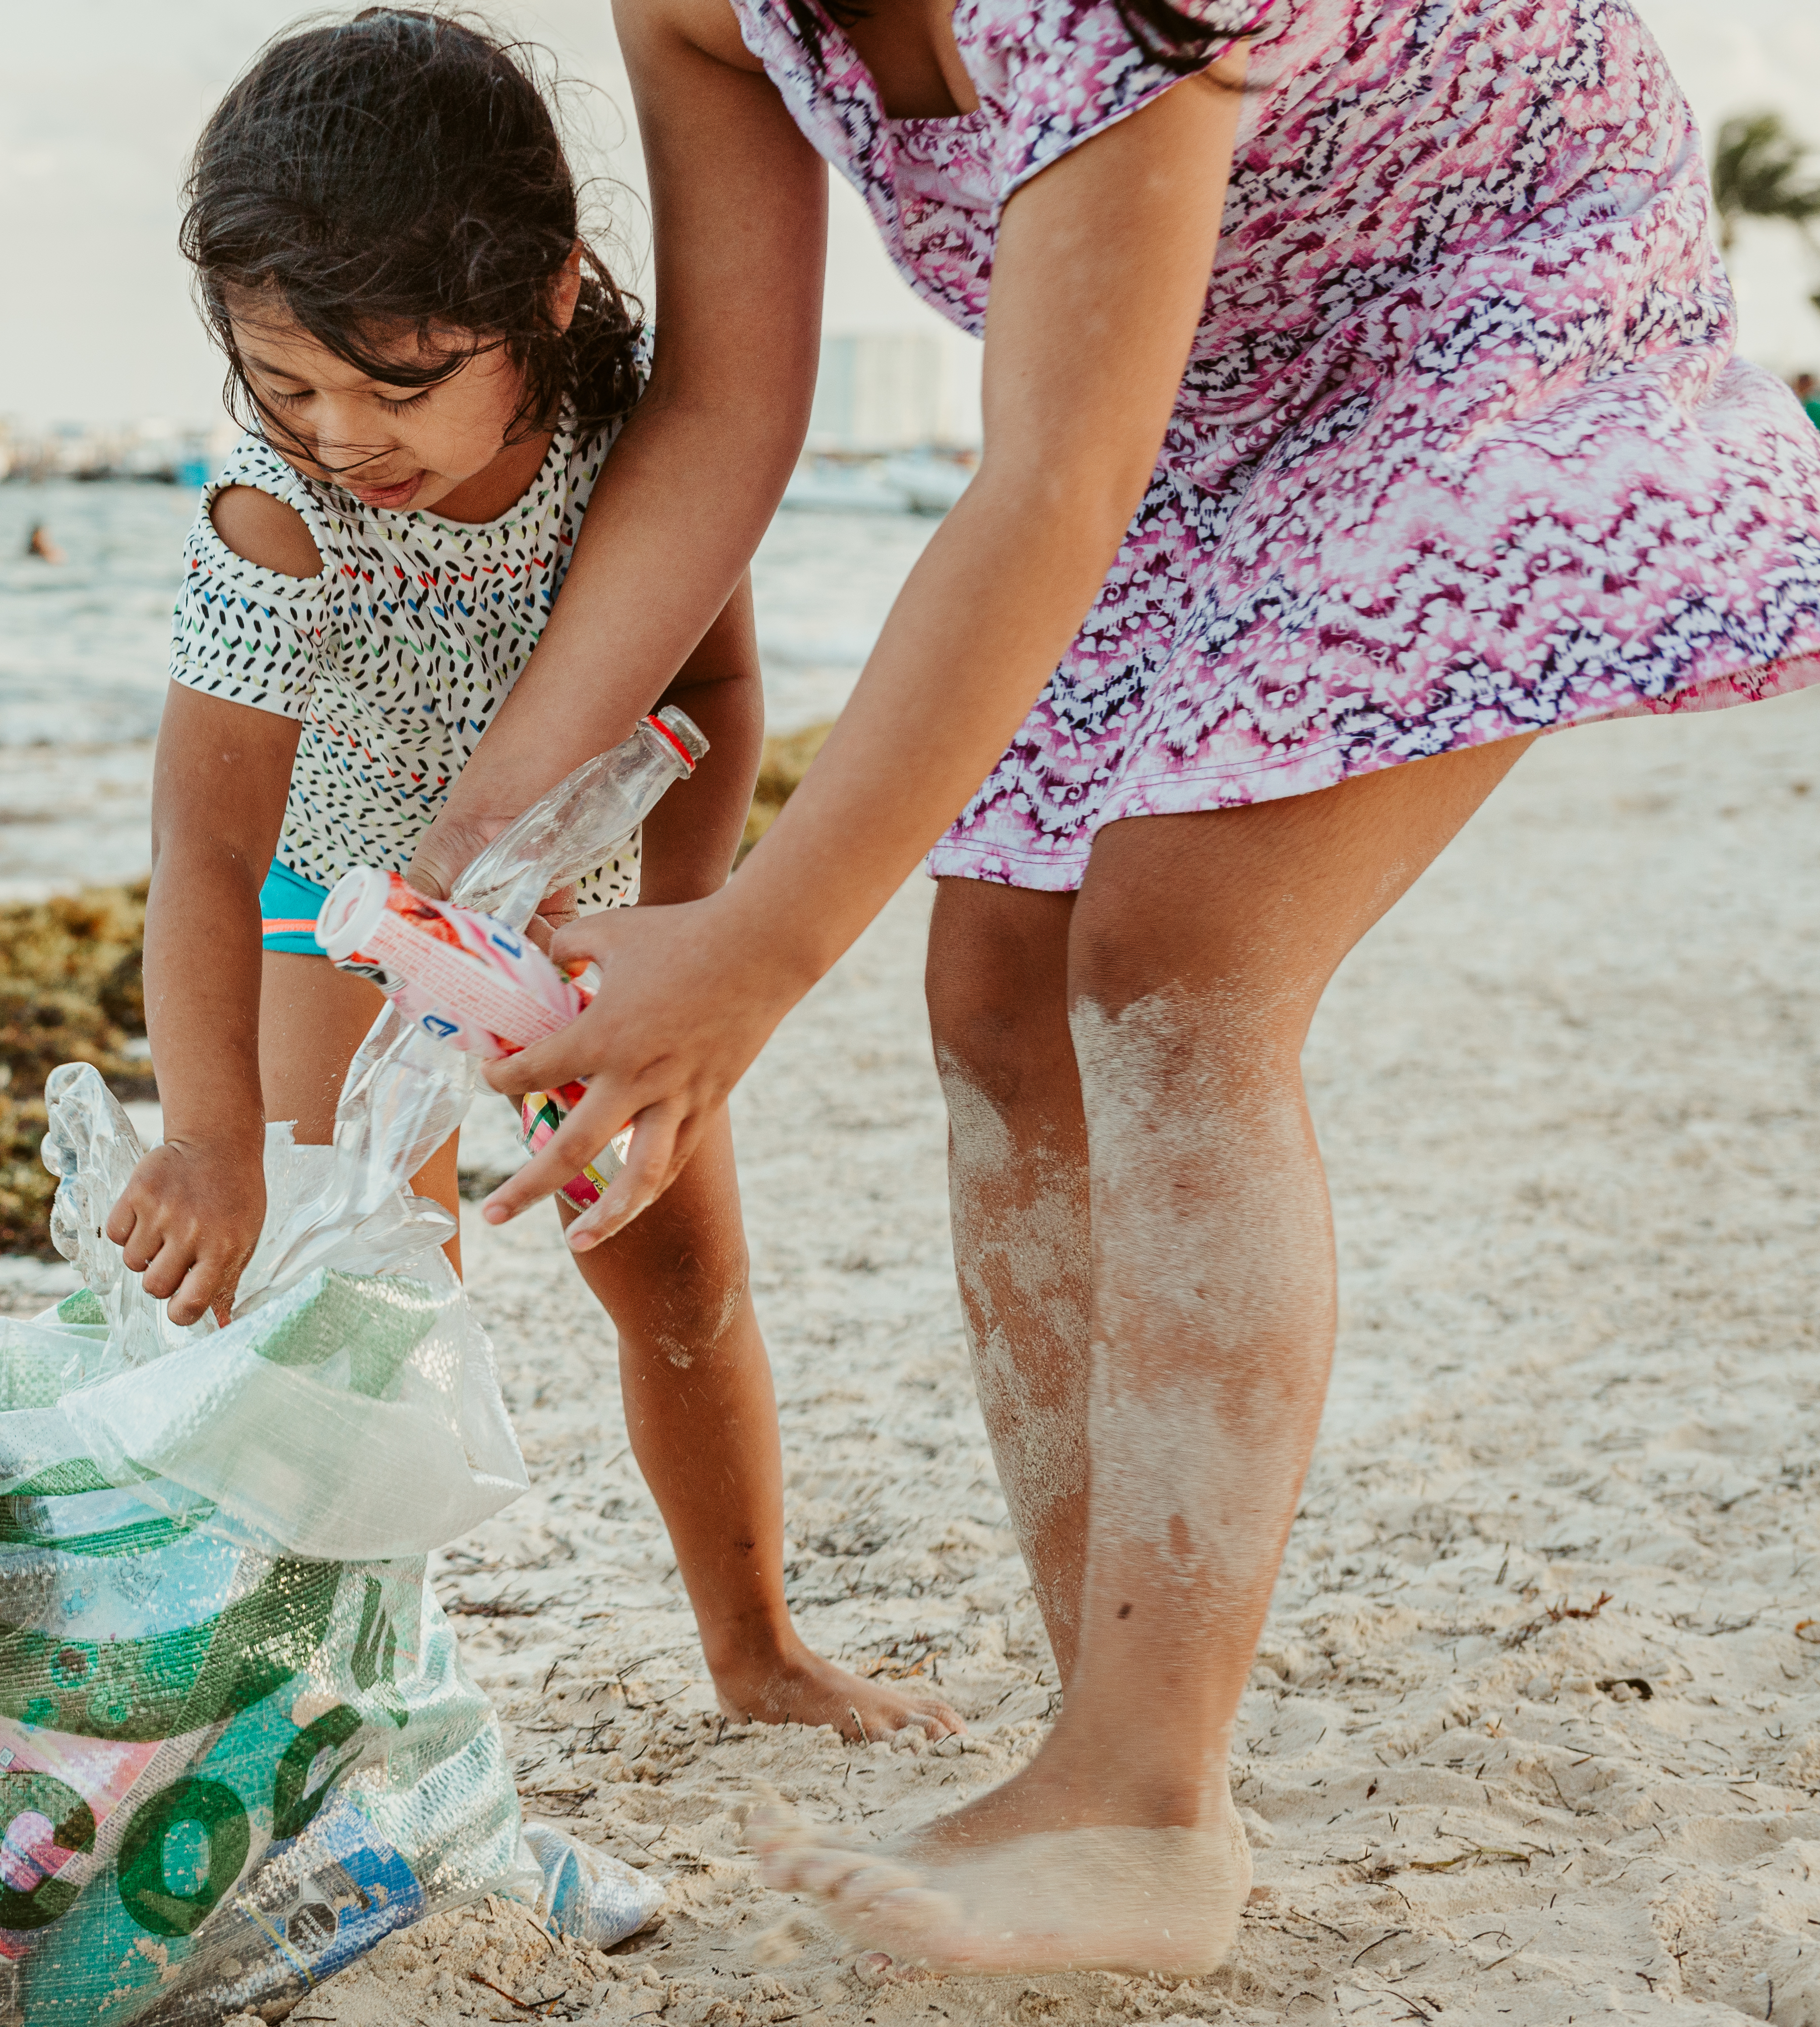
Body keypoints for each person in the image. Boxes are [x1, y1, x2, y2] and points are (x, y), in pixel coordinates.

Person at [414, 0, 1820, 1979]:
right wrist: (487, 815)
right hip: (1200, 391)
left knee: (1174, 964)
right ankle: (1104, 1742)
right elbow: (727, 415)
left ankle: (1150, 1805)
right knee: (992, 994)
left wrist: (748, 954)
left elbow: (1054, 479)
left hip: (1480, 306)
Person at [103, 9, 962, 1745]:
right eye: (288, 384)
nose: (343, 431)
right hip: (330, 918)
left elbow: (711, 692)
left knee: (682, 1287)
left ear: (548, 297)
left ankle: (756, 1650)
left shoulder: (630, 449)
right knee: (350, 1322)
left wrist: (678, 924)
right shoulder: (281, 514)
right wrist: (203, 1139)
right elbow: (204, 850)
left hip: (562, 930)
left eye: (396, 380)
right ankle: (334, 1701)